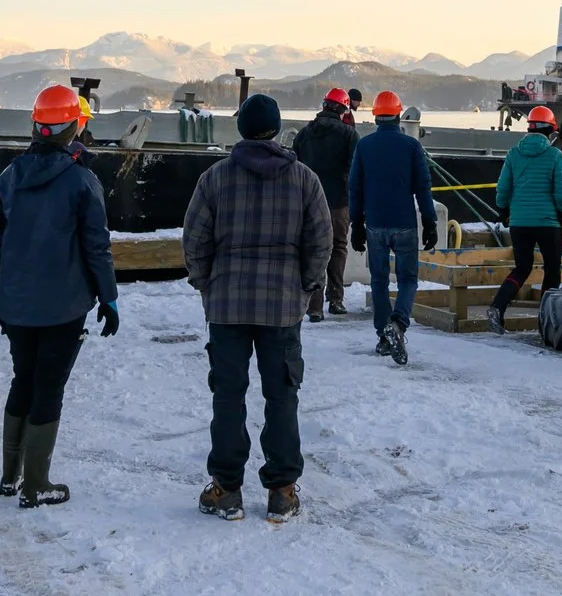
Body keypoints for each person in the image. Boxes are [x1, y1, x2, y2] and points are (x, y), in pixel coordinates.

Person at [181, 91, 330, 522]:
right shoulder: (304, 180)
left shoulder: (215, 178)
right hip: (282, 308)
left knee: (228, 397)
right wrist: (305, 286)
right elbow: (321, 241)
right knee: (281, 396)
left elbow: (194, 240)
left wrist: (206, 284)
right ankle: (282, 490)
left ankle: (226, 489)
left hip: (227, 306)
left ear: (241, 129)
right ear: (278, 129)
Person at [0, 83, 120, 507]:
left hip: (17, 305)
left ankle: (10, 477)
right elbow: (96, 245)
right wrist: (108, 298)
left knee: (23, 379)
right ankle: (36, 484)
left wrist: (2, 290)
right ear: (74, 126)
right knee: (49, 385)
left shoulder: (7, 179)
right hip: (63, 307)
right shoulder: (82, 181)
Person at [346, 89, 434, 366]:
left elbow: (355, 187)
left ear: (375, 116)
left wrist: (356, 223)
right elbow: (423, 187)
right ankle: (398, 323)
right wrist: (430, 221)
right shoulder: (411, 147)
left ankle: (383, 337)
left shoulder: (364, 146)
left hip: (374, 224)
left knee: (379, 280)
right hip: (405, 223)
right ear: (398, 115)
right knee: (408, 279)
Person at [488, 104, 562, 334]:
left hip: (520, 223)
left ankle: (497, 307)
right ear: (550, 131)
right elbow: (561, 193)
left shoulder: (514, 154)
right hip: (548, 223)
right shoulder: (555, 156)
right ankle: (546, 322)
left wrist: (503, 211)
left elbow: (503, 188)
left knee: (522, 268)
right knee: (552, 271)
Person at [291, 87, 359, 321]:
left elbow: (294, 167)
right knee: (338, 248)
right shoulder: (349, 135)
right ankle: (336, 299)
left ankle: (314, 306)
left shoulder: (304, 134)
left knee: (314, 250)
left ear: (323, 106)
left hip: (309, 204)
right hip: (338, 202)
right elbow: (354, 171)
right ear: (342, 109)